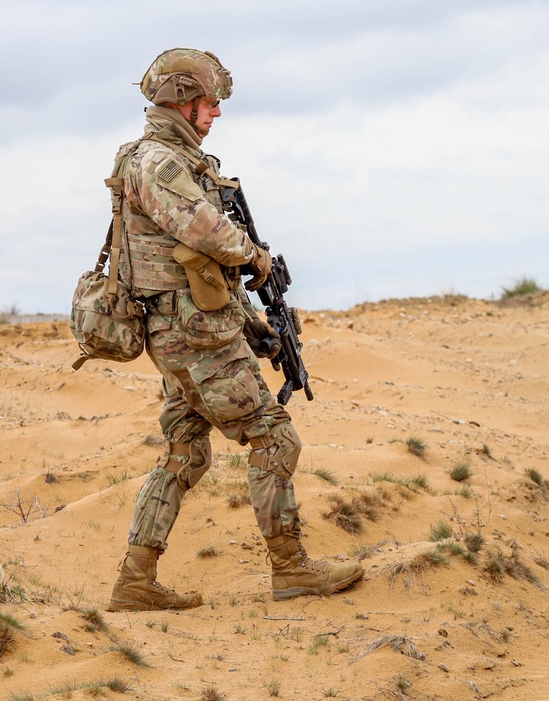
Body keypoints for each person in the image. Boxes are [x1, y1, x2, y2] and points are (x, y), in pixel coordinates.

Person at [106, 48, 363, 611]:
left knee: (185, 453)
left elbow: (197, 260)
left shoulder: (164, 159)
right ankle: (292, 569)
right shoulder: (161, 163)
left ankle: (135, 581)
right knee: (274, 436)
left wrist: (251, 320)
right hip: (194, 335)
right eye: (208, 101)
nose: (216, 113)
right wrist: (255, 256)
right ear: (181, 101)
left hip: (184, 329)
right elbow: (207, 235)